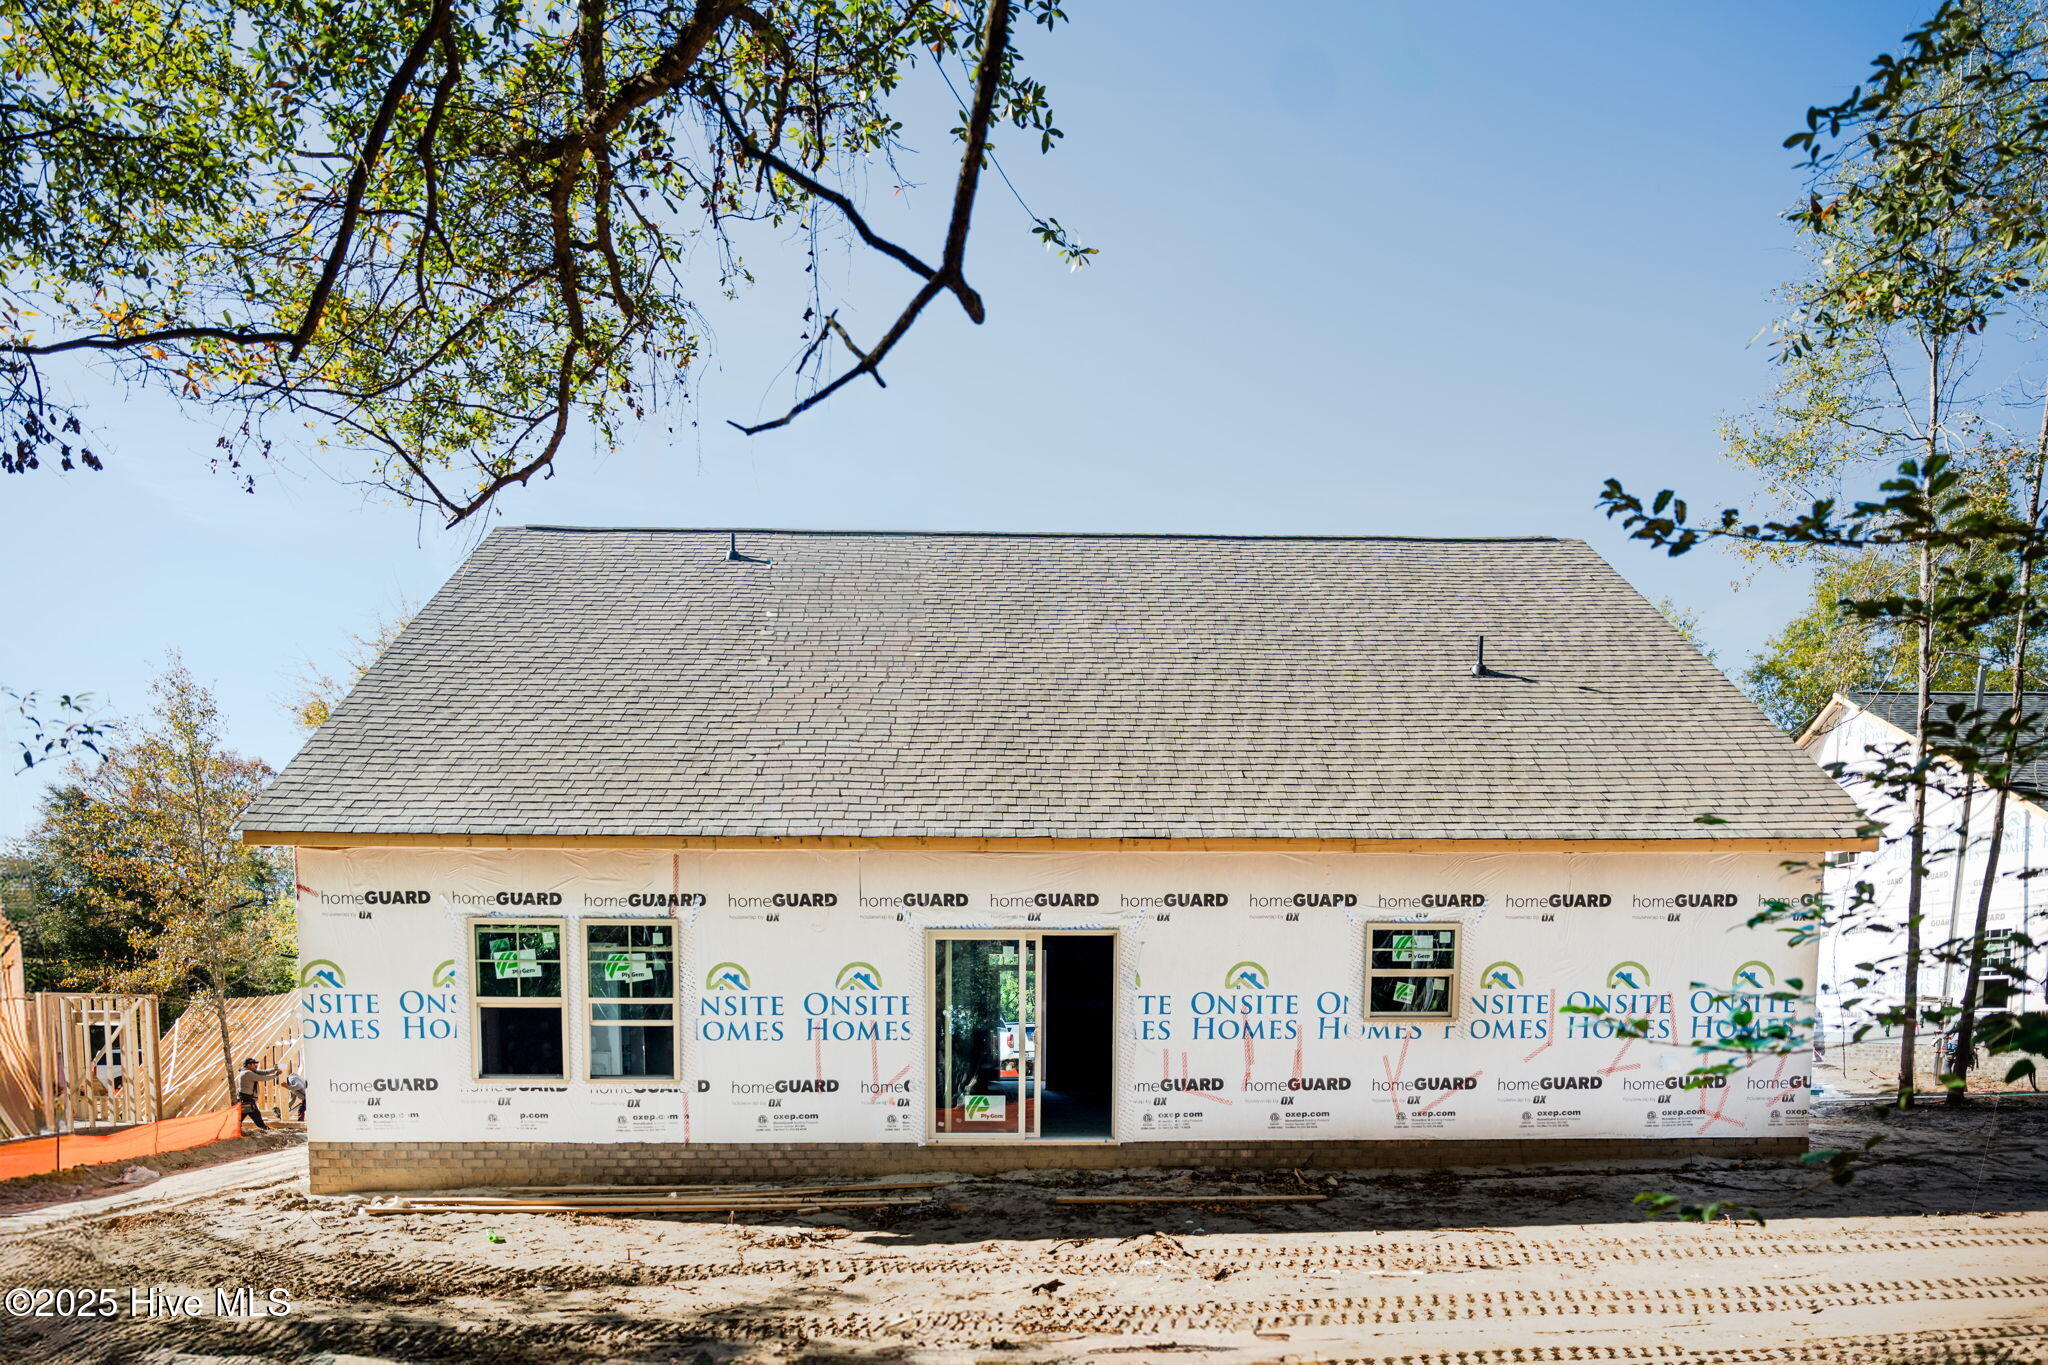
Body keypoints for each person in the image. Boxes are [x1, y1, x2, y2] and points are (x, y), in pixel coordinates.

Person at [235, 1057, 279, 1133]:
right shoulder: (247, 1073)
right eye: (253, 1064)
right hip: (247, 1099)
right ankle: (266, 1130)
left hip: (246, 1099)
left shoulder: (247, 1071)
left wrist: (274, 1069)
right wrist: (275, 1075)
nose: (255, 1066)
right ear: (248, 1065)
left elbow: (263, 1072)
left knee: (241, 1118)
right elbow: (262, 1078)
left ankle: (234, 1130)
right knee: (256, 1117)